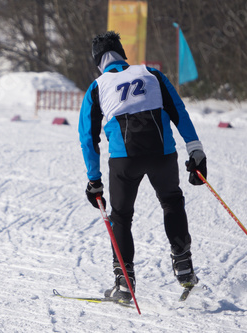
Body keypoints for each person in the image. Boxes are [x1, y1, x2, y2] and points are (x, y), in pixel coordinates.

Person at [78, 31, 207, 303]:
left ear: (97, 62)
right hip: (163, 153)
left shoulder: (97, 86)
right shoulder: (151, 73)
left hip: (125, 159)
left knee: (122, 217)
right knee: (172, 202)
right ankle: (183, 265)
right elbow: (178, 110)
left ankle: (124, 284)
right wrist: (195, 149)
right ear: (122, 54)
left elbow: (88, 137)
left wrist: (94, 180)